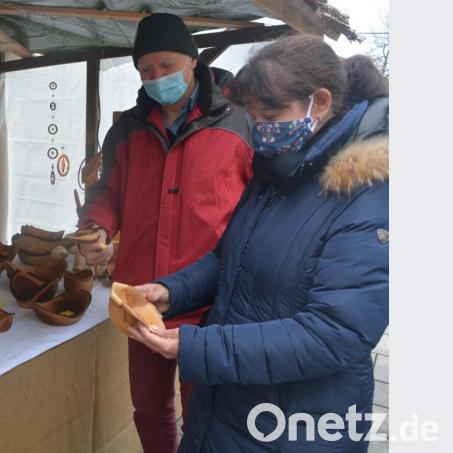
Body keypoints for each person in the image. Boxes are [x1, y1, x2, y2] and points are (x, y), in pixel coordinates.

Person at [128, 36, 389, 452]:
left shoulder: (368, 193)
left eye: (271, 114)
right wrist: (172, 290)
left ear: (319, 103)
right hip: (231, 405)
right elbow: (228, 258)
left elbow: (335, 333)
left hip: (298, 426)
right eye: (253, 116)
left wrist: (200, 346)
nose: (261, 129)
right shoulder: (279, 169)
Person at [77, 13, 254, 452]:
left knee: (205, 410)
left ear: (192, 62)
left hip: (211, 302)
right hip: (140, 297)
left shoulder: (238, 125)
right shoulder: (129, 129)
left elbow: (259, 208)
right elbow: (108, 194)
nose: (157, 77)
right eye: (147, 69)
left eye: (167, 65)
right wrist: (97, 228)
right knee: (149, 408)